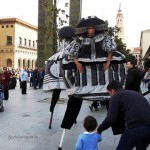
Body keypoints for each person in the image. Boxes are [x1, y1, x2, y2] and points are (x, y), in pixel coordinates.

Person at [61, 16, 126, 129]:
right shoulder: (80, 39)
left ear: (95, 29)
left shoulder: (104, 37)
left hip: (102, 63)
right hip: (84, 63)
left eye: (92, 28)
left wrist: (108, 61)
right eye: (89, 28)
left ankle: (118, 125)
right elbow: (71, 51)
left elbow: (110, 50)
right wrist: (76, 62)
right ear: (86, 29)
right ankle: (77, 91)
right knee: (67, 63)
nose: (91, 30)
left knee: (119, 61)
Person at [97, 80, 150, 150]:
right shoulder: (134, 93)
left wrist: (99, 130)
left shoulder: (116, 96)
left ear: (112, 90)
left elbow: (110, 119)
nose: (109, 95)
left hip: (135, 127)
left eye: (108, 92)